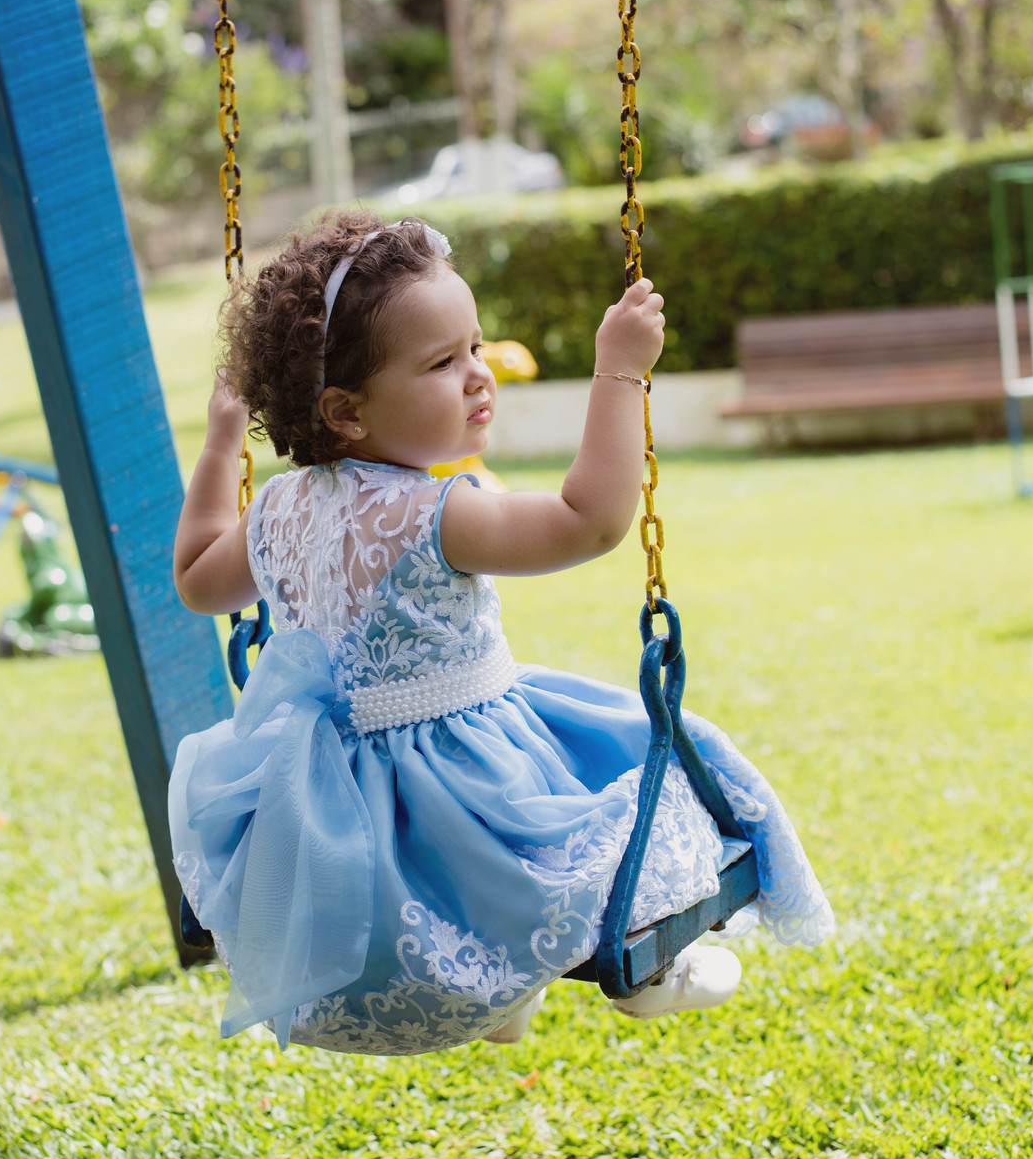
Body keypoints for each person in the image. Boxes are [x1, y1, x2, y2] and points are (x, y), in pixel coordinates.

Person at [170, 211, 833, 1054]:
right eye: (443, 363)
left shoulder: (277, 512)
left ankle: (502, 988)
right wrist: (618, 374)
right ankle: (655, 965)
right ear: (344, 412)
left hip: (330, 798)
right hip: (467, 779)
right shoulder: (435, 513)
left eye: (476, 347)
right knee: (626, 789)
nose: (479, 376)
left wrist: (223, 439)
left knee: (513, 831)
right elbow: (587, 521)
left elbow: (195, 577)